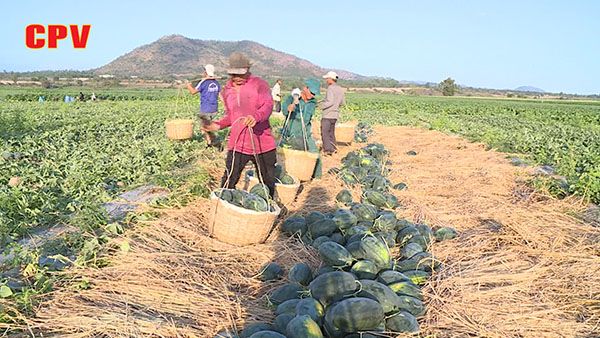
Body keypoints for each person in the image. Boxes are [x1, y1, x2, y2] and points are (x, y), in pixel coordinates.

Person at [202, 52, 277, 197]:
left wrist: (256, 117)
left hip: (262, 143)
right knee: (229, 180)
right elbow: (231, 116)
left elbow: (267, 106)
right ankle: (223, 207)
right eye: (234, 74)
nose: (237, 78)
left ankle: (267, 210)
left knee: (267, 181)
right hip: (238, 143)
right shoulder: (227, 91)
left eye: (241, 74)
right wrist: (216, 125)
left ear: (248, 70)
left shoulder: (259, 84)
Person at [281, 78, 322, 179]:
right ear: (305, 88)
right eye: (312, 92)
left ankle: (316, 179)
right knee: (288, 156)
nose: (313, 95)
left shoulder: (312, 103)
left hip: (305, 133)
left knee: (315, 154)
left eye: (315, 94)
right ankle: (289, 176)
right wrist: (289, 108)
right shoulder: (292, 98)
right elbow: (284, 110)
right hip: (291, 132)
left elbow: (309, 118)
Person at [187, 64, 222, 146]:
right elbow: (220, 95)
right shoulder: (216, 83)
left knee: (203, 128)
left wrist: (188, 86)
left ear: (206, 72)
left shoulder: (203, 82)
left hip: (205, 109)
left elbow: (193, 92)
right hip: (214, 109)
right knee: (208, 126)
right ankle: (211, 142)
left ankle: (211, 142)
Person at [320, 71, 346, 156]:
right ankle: (334, 148)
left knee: (325, 132)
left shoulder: (330, 88)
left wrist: (321, 106)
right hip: (335, 115)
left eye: (327, 78)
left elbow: (330, 102)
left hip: (328, 114)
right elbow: (342, 103)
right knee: (331, 132)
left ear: (331, 79)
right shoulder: (340, 89)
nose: (326, 80)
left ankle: (328, 150)